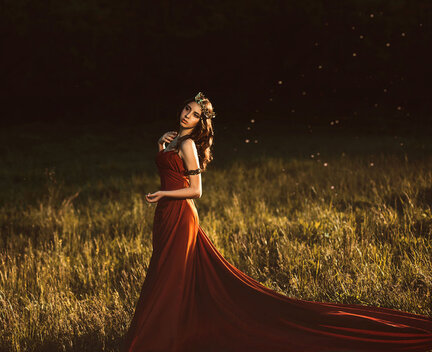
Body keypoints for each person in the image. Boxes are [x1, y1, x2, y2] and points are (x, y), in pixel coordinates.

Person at [120, 92, 432, 352]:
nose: (187, 114)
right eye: (187, 109)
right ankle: (165, 331)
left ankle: (159, 337)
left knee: (171, 273)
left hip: (180, 213)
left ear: (202, 122)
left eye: (194, 114)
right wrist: (161, 148)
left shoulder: (188, 145)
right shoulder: (174, 140)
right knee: (166, 270)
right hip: (166, 213)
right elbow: (170, 171)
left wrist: (164, 193)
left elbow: (196, 191)